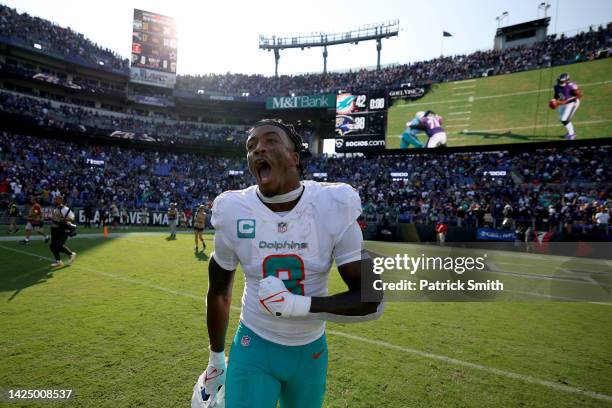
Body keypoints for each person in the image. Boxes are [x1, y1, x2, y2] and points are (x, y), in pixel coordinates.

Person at [192, 119, 382, 408]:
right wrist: (216, 358)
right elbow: (219, 291)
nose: (258, 149)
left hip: (310, 352)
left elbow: (371, 297)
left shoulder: (333, 203)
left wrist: (300, 305)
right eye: (251, 146)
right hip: (254, 345)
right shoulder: (232, 209)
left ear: (294, 158)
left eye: (270, 141)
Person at [551, 73, 582, 140]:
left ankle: (572, 134)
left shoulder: (571, 86)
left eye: (562, 81)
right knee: (561, 118)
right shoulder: (556, 86)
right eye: (559, 80)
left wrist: (565, 101)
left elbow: (579, 95)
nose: (560, 82)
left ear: (567, 80)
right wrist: (553, 100)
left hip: (572, 103)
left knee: (564, 119)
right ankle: (571, 129)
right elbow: (556, 94)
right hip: (563, 103)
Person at [49, 195, 76, 267]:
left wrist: (66, 219)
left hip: (63, 230)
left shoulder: (65, 209)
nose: (54, 201)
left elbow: (72, 218)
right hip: (54, 229)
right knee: (52, 246)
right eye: (54, 199)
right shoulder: (55, 209)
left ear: (60, 200)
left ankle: (71, 254)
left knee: (58, 245)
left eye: (56, 199)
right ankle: (58, 261)